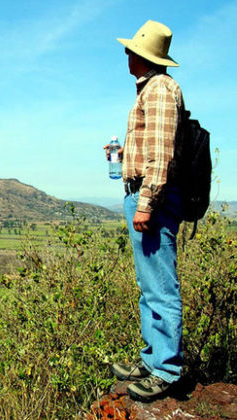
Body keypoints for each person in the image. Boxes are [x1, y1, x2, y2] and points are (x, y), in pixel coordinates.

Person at [108, 20, 185, 402]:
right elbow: (152, 148)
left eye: (131, 50)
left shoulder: (159, 90)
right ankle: (154, 357)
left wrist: (146, 202)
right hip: (142, 193)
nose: (126, 55)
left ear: (143, 57)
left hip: (149, 199)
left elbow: (162, 155)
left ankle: (166, 370)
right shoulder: (151, 90)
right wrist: (123, 157)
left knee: (160, 287)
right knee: (148, 285)